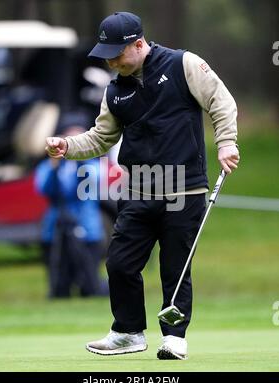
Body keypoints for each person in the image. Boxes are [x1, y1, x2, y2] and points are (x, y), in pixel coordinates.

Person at [45, 12, 240, 359]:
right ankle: (128, 331)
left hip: (185, 189)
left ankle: (175, 337)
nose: (112, 61)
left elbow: (220, 102)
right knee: (119, 263)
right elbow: (102, 137)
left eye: (117, 53)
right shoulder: (115, 89)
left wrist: (226, 142)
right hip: (138, 190)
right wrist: (68, 146)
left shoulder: (184, 64)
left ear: (138, 44)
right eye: (107, 54)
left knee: (175, 268)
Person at [36, 114, 108, 298]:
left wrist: (80, 158)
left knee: (89, 285)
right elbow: (44, 189)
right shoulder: (49, 166)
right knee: (60, 287)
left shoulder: (95, 166)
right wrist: (55, 167)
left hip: (88, 229)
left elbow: (88, 187)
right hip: (56, 229)